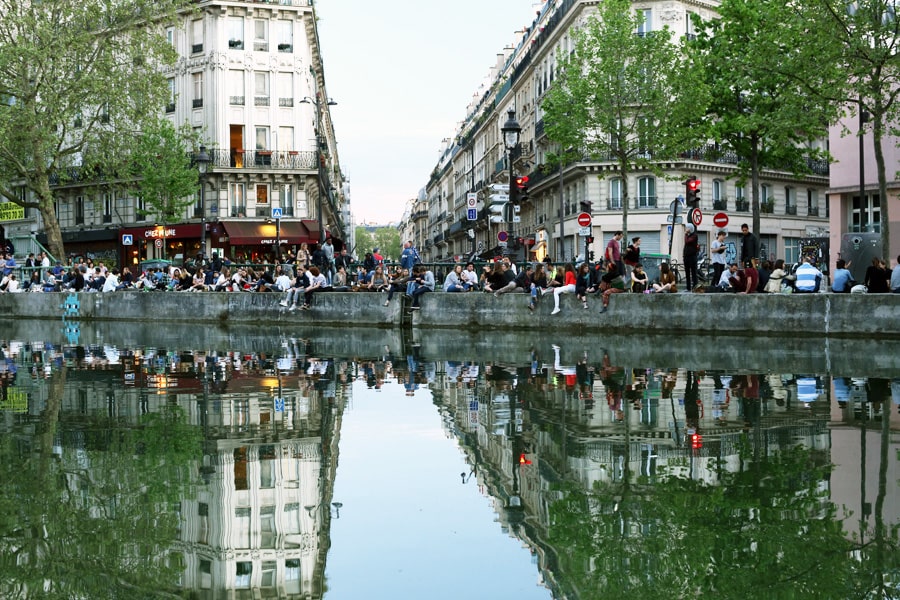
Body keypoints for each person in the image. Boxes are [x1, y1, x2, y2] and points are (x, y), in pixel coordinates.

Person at [682, 223, 700, 292]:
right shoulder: (688, 235)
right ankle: (688, 287)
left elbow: (687, 242)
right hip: (686, 257)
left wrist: (686, 234)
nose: (686, 229)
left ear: (690, 229)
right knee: (687, 272)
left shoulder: (694, 236)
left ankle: (695, 287)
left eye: (687, 228)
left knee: (693, 272)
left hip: (692, 257)